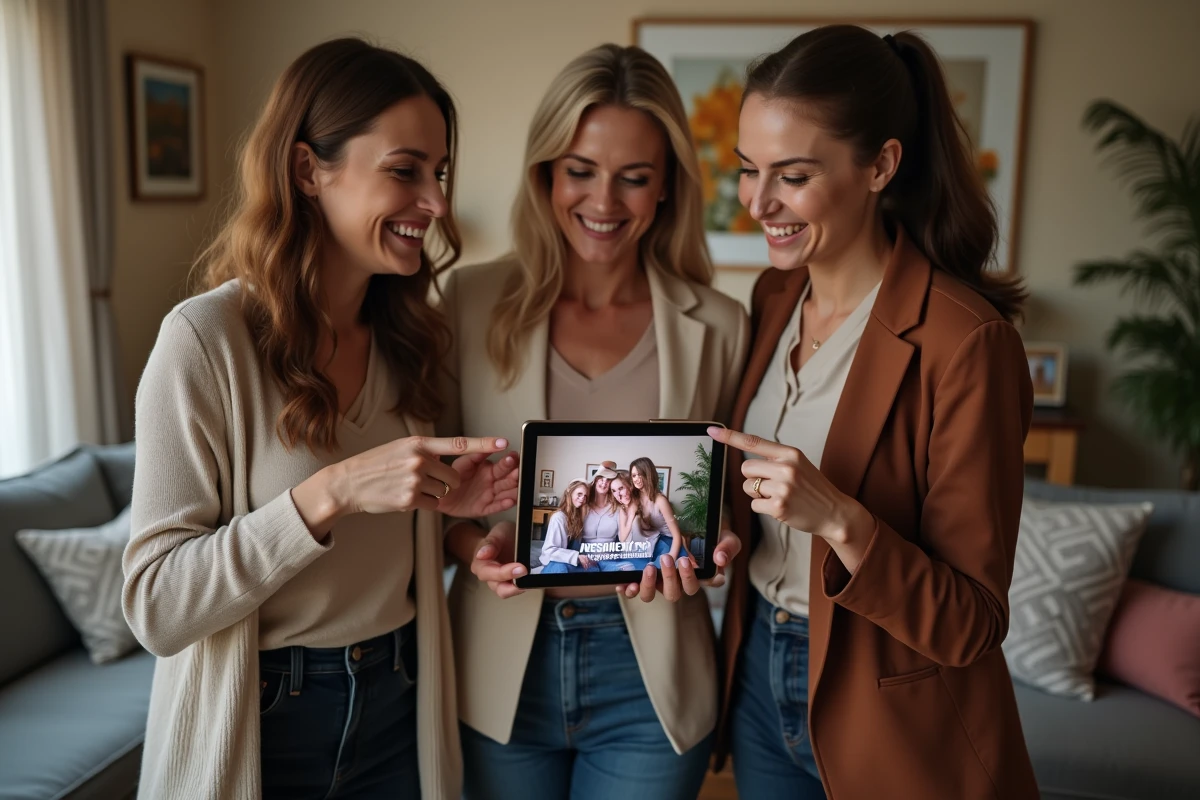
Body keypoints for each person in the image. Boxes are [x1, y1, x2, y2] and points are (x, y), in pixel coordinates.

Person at [122, 38, 517, 800]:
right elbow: (156, 606)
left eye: (438, 174)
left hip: (400, 701)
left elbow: (380, 554)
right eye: (404, 171)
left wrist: (453, 522)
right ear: (308, 170)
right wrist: (326, 494)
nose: (435, 203)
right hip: (266, 721)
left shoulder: (413, 339)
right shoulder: (204, 342)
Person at [708, 25, 1039, 799]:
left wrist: (840, 519)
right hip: (758, 668)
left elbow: (973, 623)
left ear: (881, 166)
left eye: (792, 175)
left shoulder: (968, 343)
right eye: (749, 171)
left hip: (889, 702)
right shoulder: (772, 298)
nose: (758, 203)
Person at [438, 43, 748, 800]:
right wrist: (472, 545)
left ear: (668, 185)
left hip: (653, 675)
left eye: (634, 178)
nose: (604, 202)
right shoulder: (468, 304)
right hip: (499, 666)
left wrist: (721, 544)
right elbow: (437, 494)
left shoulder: (720, 324)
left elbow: (726, 501)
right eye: (580, 170)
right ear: (545, 172)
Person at [629, 456, 689, 565]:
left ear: (648, 474)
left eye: (640, 474)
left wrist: (671, 558)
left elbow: (676, 535)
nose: (637, 479)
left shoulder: (660, 500)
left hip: (669, 542)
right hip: (652, 542)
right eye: (634, 475)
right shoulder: (635, 500)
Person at [538, 480, 595, 572]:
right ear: (570, 492)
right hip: (556, 563)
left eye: (585, 496)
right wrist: (576, 556)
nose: (582, 499)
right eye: (579, 494)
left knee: (594, 569)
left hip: (570, 562)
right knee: (560, 570)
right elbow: (549, 551)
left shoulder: (579, 517)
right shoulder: (558, 517)